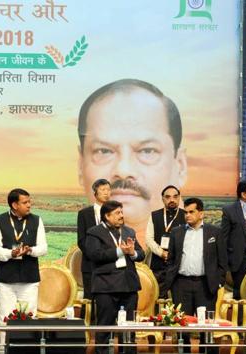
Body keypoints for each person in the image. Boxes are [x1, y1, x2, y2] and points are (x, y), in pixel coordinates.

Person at [78, 79, 187, 248]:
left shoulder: (192, 228)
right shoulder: (61, 274)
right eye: (104, 151)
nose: (123, 170)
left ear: (180, 165)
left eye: (147, 151)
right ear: (80, 165)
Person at [165, 197, 226, 354]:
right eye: (186, 212)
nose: (187, 215)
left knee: (206, 327)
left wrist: (218, 282)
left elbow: (222, 261)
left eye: (192, 212)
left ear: (201, 213)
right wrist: (171, 281)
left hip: (205, 285)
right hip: (181, 284)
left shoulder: (215, 232)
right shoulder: (176, 232)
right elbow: (171, 259)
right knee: (182, 327)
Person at [85, 200, 145, 354]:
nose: (121, 216)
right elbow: (94, 255)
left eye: (122, 212)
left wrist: (132, 253)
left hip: (128, 285)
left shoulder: (129, 232)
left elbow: (141, 254)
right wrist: (120, 251)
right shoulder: (94, 232)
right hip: (106, 286)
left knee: (128, 326)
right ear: (107, 215)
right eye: (117, 213)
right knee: (105, 325)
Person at [0, 188, 48, 321]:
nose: (29, 205)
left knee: (29, 319)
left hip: (29, 279)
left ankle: (27, 343)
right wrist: (11, 253)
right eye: (25, 202)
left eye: (29, 202)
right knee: (6, 319)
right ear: (14, 205)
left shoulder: (36, 220)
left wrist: (30, 250)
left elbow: (43, 248)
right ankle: (5, 342)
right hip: (6, 280)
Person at [146, 185, 186, 299]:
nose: (172, 200)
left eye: (175, 197)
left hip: (179, 265)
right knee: (158, 299)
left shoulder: (185, 215)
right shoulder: (154, 215)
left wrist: (174, 254)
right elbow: (149, 239)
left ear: (179, 198)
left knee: (178, 300)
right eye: (168, 197)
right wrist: (161, 253)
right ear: (162, 199)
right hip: (158, 265)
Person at [77, 179, 111, 309]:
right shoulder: (84, 214)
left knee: (108, 302)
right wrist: (95, 255)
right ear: (95, 193)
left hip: (110, 264)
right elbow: (81, 240)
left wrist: (107, 255)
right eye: (103, 190)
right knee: (89, 301)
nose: (106, 193)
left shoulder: (115, 213)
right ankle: (88, 327)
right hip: (90, 264)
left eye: (108, 190)